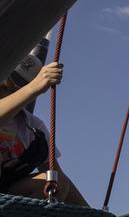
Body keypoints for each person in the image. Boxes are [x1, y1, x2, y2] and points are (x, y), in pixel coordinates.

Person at [0, 41, 86, 205]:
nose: (12, 91)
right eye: (8, 85)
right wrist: (32, 89)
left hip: (5, 197)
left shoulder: (33, 128)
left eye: (18, 86)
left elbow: (56, 174)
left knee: (56, 181)